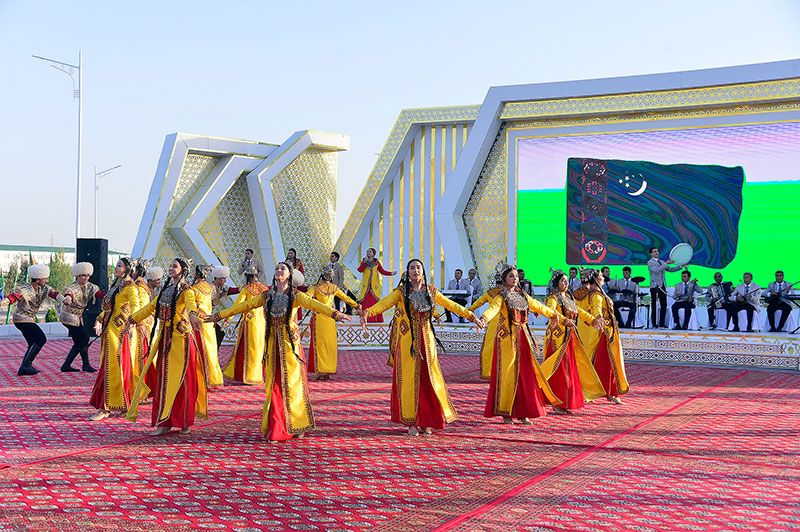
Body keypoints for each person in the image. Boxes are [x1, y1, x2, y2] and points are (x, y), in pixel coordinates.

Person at [208, 261, 351, 442]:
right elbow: (243, 306)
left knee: (292, 384)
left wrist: (336, 314)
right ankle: (278, 426)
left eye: (282, 269)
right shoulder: (267, 295)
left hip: (290, 346)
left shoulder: (295, 295)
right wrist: (218, 316)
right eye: (276, 268)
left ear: (289, 275)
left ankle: (298, 423)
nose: (278, 271)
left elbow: (315, 305)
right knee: (274, 386)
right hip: (272, 346)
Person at [360, 259, 480, 436]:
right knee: (409, 380)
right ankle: (411, 422)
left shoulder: (431, 291)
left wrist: (472, 317)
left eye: (418, 267)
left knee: (429, 380)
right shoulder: (401, 292)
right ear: (407, 272)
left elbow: (451, 305)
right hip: (408, 342)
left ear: (423, 271)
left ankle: (427, 421)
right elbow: (384, 304)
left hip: (427, 342)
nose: (415, 270)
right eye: (412, 268)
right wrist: (366, 313)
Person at [127, 257, 206, 435]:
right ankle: (164, 422)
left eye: (174, 266)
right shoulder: (166, 290)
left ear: (183, 270)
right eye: (169, 265)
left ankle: (184, 420)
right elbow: (149, 309)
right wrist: (131, 319)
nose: (170, 268)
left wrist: (193, 315)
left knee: (183, 381)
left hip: (182, 340)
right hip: (165, 339)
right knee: (164, 379)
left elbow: (192, 305)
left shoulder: (187, 290)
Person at [477, 263, 564, 424]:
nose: (515, 278)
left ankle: (522, 411)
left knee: (525, 376)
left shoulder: (522, 295)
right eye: (511, 276)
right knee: (508, 375)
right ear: (504, 279)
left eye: (516, 276)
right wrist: (483, 319)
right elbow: (493, 309)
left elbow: (538, 306)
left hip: (522, 338)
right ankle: (506, 412)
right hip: (507, 340)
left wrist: (554, 315)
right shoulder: (500, 296)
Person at [541, 270, 605, 414]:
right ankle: (556, 402)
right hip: (558, 338)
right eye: (563, 280)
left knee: (570, 371)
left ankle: (565, 402)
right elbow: (549, 310)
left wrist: (593, 319)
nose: (566, 282)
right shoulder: (553, 298)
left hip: (570, 338)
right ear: (556, 283)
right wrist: (562, 319)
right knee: (559, 371)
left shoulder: (569, 297)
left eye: (566, 280)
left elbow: (579, 312)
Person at [89, 258, 141, 420]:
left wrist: (132, 322)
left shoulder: (130, 287)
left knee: (114, 368)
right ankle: (124, 405)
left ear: (127, 269)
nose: (115, 268)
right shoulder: (117, 286)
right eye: (116, 265)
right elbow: (110, 309)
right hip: (109, 330)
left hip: (119, 333)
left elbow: (136, 305)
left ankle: (105, 408)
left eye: (119, 265)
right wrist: (99, 319)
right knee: (114, 367)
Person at [574, 268, 629, 404]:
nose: (603, 277)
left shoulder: (598, 293)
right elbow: (596, 308)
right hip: (604, 333)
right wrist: (599, 317)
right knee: (608, 363)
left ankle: (606, 392)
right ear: (596, 280)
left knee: (606, 363)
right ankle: (608, 393)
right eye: (600, 276)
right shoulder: (596, 295)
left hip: (607, 331)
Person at [1, 264, 65, 376]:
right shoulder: (23, 289)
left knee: (32, 343)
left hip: (29, 319)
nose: (46, 280)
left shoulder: (44, 288)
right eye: (44, 278)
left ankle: (24, 367)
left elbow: (54, 294)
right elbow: (12, 297)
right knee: (41, 339)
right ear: (38, 279)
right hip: (21, 318)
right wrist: (3, 302)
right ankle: (26, 365)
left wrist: (64, 299)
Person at [306, 265, 359, 380]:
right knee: (329, 344)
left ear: (322, 275)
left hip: (319, 318)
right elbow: (347, 298)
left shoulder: (315, 288)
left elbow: (305, 298)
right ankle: (327, 371)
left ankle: (320, 372)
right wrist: (357, 306)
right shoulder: (334, 288)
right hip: (330, 318)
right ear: (331, 276)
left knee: (319, 345)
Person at [223, 266, 268, 384]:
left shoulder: (247, 289)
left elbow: (237, 306)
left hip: (249, 322)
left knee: (246, 348)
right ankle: (257, 376)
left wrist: (227, 320)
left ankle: (245, 376)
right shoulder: (265, 289)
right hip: (262, 322)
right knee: (259, 348)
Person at [59, 262, 103, 372]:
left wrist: (111, 296)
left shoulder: (90, 286)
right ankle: (84, 364)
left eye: (88, 275)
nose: (86, 278)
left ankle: (68, 365)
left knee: (79, 341)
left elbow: (99, 294)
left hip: (78, 317)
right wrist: (68, 299)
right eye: (83, 275)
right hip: (69, 317)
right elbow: (68, 295)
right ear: (77, 275)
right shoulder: (71, 287)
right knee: (84, 338)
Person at [191, 264, 224, 389]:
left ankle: (204, 378)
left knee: (201, 349)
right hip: (208, 321)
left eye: (194, 271)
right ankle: (214, 378)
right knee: (210, 349)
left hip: (199, 322)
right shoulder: (209, 287)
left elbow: (194, 305)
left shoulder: (195, 289)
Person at [468, 279, 503, 381]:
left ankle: (488, 373)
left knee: (489, 348)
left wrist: (469, 311)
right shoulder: (508, 293)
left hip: (493, 322)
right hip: (500, 323)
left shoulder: (491, 293)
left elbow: (478, 303)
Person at [358, 247, 396, 323]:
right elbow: (360, 270)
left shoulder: (376, 263)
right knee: (366, 302)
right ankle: (365, 319)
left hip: (374, 286)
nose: (368, 253)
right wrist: (364, 262)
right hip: (366, 287)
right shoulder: (364, 262)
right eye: (367, 251)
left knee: (374, 302)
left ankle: (376, 319)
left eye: (370, 252)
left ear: (373, 254)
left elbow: (382, 271)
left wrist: (391, 273)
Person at [647, 247, 683, 328]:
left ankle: (662, 323)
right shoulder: (650, 262)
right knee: (654, 305)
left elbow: (670, 269)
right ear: (651, 254)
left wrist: (680, 266)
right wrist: (666, 264)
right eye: (655, 251)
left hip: (662, 286)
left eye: (657, 251)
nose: (657, 253)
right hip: (655, 286)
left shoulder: (661, 262)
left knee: (664, 304)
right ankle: (654, 323)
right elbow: (656, 270)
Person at [209, 265, 240, 348]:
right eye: (223, 278)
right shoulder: (209, 289)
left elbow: (230, 290)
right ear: (217, 277)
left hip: (211, 316)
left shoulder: (221, 288)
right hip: (205, 316)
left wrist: (242, 289)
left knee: (219, 334)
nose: (225, 280)